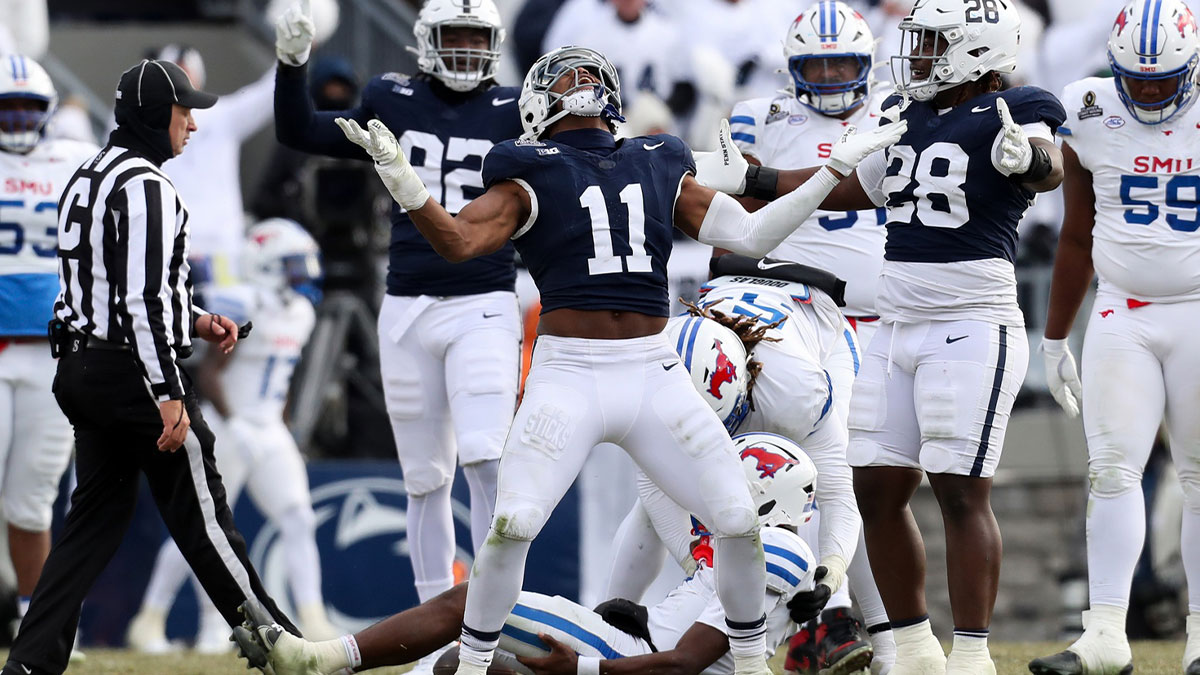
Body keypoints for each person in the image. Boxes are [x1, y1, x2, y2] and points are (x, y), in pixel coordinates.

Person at [326, 44, 904, 675]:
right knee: (513, 522)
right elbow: (460, 244)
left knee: (737, 518)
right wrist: (408, 186)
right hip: (570, 371)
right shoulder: (530, 169)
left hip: (651, 369)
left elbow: (751, 236)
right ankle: (471, 663)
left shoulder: (656, 158)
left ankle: (746, 666)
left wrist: (829, 174)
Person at [696, 0, 1067, 671]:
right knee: (875, 486)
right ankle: (917, 645)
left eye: (932, 44)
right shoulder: (910, 114)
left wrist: (1031, 161)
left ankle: (974, 652)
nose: (917, 54)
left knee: (959, 489)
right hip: (896, 324)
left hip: (970, 320)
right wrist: (752, 178)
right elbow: (848, 189)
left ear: (976, 51)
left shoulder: (1014, 107)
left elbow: (1048, 160)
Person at [0, 59, 299, 675]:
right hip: (132, 374)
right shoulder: (146, 185)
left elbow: (109, 285)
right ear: (152, 115)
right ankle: (281, 649)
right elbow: (137, 298)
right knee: (205, 516)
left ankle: (27, 664)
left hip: (79, 367)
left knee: (90, 527)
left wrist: (195, 318)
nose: (192, 124)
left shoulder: (86, 173)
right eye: (182, 110)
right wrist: (168, 391)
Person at [272, 5, 524, 659]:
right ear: (427, 43)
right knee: (423, 476)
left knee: (486, 455)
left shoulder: (517, 107)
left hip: (485, 299)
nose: (467, 50)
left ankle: (500, 619)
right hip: (408, 303)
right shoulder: (391, 97)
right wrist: (291, 67)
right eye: (455, 37)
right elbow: (300, 129)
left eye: (478, 38)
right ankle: (434, 633)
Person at [234, 433, 819, 675]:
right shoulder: (768, 550)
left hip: (627, 661)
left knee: (479, 600)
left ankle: (322, 660)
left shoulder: (779, 549)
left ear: (763, 492)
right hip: (633, 656)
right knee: (457, 665)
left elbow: (684, 662)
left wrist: (583, 669)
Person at [1028, 2, 1200, 674]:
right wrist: (1053, 337)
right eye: (1139, 80)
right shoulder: (1091, 106)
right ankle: (1104, 634)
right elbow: (1076, 230)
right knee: (1110, 470)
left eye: (1165, 82)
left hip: (1197, 308)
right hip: (1121, 311)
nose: (1151, 92)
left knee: (1198, 476)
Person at [608, 254, 882, 674]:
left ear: (743, 385)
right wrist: (700, 567)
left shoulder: (792, 392)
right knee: (656, 511)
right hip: (742, 327)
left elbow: (839, 494)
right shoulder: (653, 364)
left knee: (814, 495)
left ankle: (882, 646)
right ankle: (607, 622)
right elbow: (654, 487)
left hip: (816, 334)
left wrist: (829, 575)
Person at [725, 3, 896, 670]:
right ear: (791, 68)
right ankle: (842, 629)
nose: (827, 77)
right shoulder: (760, 117)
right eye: (814, 65)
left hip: (881, 320)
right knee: (821, 481)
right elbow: (729, 210)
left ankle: (877, 634)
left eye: (841, 64)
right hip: (795, 314)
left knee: (865, 484)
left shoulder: (894, 109)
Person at [126, 218, 338, 652]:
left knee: (298, 518)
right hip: (229, 424)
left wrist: (282, 423)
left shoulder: (302, 313)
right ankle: (155, 619)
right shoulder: (243, 303)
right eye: (294, 265)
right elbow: (209, 371)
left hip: (268, 427)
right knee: (208, 527)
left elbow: (282, 377)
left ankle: (313, 616)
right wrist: (236, 421)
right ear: (265, 265)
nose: (304, 274)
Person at [0, 53, 97, 641]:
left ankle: (41, 626)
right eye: (4, 107)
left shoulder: (74, 161)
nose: (15, 118)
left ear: (48, 113)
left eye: (26, 107)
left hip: (55, 349)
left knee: (32, 501)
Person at [154, 43, 278, 288]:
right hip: (166, 247)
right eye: (175, 72)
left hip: (221, 250)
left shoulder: (222, 115)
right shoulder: (141, 121)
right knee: (167, 320)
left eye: (186, 72)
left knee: (224, 320)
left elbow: (269, 93)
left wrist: (291, 58)